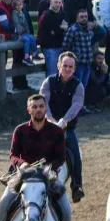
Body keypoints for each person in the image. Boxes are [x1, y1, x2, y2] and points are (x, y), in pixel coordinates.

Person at [0, 94, 75, 221]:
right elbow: (13, 155)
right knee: (2, 205)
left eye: (41, 106)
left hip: (47, 178)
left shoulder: (56, 132)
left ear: (45, 108)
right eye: (34, 107)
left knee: (65, 209)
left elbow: (60, 157)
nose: (38, 110)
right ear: (29, 109)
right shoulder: (20, 130)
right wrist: (23, 163)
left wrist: (48, 168)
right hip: (23, 177)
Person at [40, 52, 85, 202]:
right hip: (46, 126)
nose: (67, 69)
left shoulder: (78, 86)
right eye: (64, 65)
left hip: (66, 128)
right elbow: (43, 103)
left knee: (75, 153)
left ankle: (77, 185)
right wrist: (51, 120)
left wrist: (64, 121)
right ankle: (14, 174)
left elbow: (77, 105)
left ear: (74, 68)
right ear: (58, 66)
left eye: (70, 67)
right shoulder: (48, 82)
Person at [62, 9, 94, 88]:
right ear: (77, 18)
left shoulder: (89, 29)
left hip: (88, 62)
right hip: (78, 63)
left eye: (86, 16)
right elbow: (65, 45)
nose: (84, 18)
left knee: (84, 86)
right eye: (82, 17)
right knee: (76, 86)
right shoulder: (73, 29)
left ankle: (82, 100)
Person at [38, 0, 66, 77]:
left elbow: (60, 29)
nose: (57, 4)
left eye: (59, 2)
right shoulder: (47, 15)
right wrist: (62, 28)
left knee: (59, 72)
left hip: (59, 45)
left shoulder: (61, 13)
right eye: (55, 2)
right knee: (52, 72)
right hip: (50, 47)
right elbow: (54, 32)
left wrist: (60, 29)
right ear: (51, 2)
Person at [12, 0, 35, 66]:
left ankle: (34, 53)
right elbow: (16, 23)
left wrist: (27, 32)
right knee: (27, 40)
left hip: (24, 32)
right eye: (17, 5)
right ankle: (26, 57)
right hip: (17, 33)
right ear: (15, 6)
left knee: (32, 38)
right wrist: (19, 33)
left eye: (20, 5)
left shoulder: (21, 12)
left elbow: (25, 23)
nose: (19, 6)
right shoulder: (14, 13)